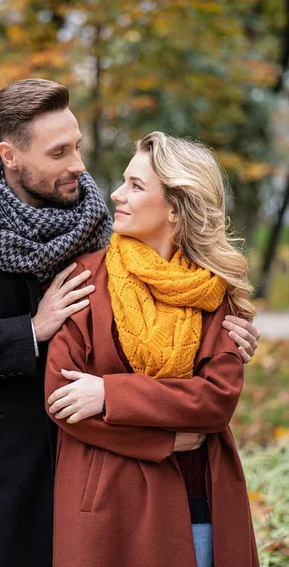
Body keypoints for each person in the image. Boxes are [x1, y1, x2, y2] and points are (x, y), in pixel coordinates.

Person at [0, 79, 259, 567]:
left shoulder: (93, 219)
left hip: (106, 463)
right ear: (10, 155)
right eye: (59, 152)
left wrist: (223, 334)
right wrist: (32, 329)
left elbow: (175, 294)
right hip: (4, 465)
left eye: (77, 145)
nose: (79, 165)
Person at [45, 131, 260, 567]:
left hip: (194, 501)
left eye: (136, 186)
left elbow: (215, 402)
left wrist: (109, 395)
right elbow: (62, 399)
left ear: (176, 210)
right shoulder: (87, 279)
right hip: (106, 508)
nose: (117, 193)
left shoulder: (216, 290)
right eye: (124, 180)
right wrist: (165, 438)